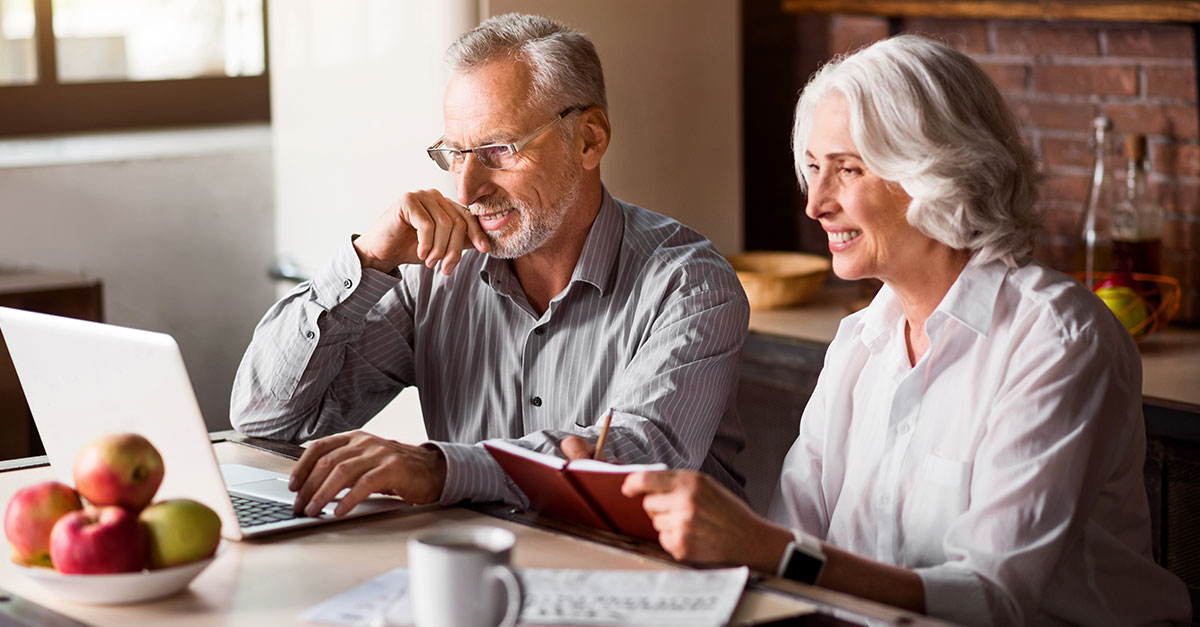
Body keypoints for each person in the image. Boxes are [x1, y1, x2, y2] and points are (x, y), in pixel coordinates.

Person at [608, 35, 1191, 625]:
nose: (816, 204)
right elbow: (791, 540)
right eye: (814, 170)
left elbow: (990, 597)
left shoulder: (1057, 339)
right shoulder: (859, 342)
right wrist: (618, 500)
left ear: (937, 172)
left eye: (848, 169)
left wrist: (767, 549)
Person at [229, 13, 748, 518]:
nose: (466, 189)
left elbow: (633, 464)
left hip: (646, 589)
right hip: (486, 581)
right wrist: (367, 258)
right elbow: (266, 419)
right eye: (455, 154)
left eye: (498, 150)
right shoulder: (434, 275)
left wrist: (440, 470)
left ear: (589, 138)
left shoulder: (690, 283)